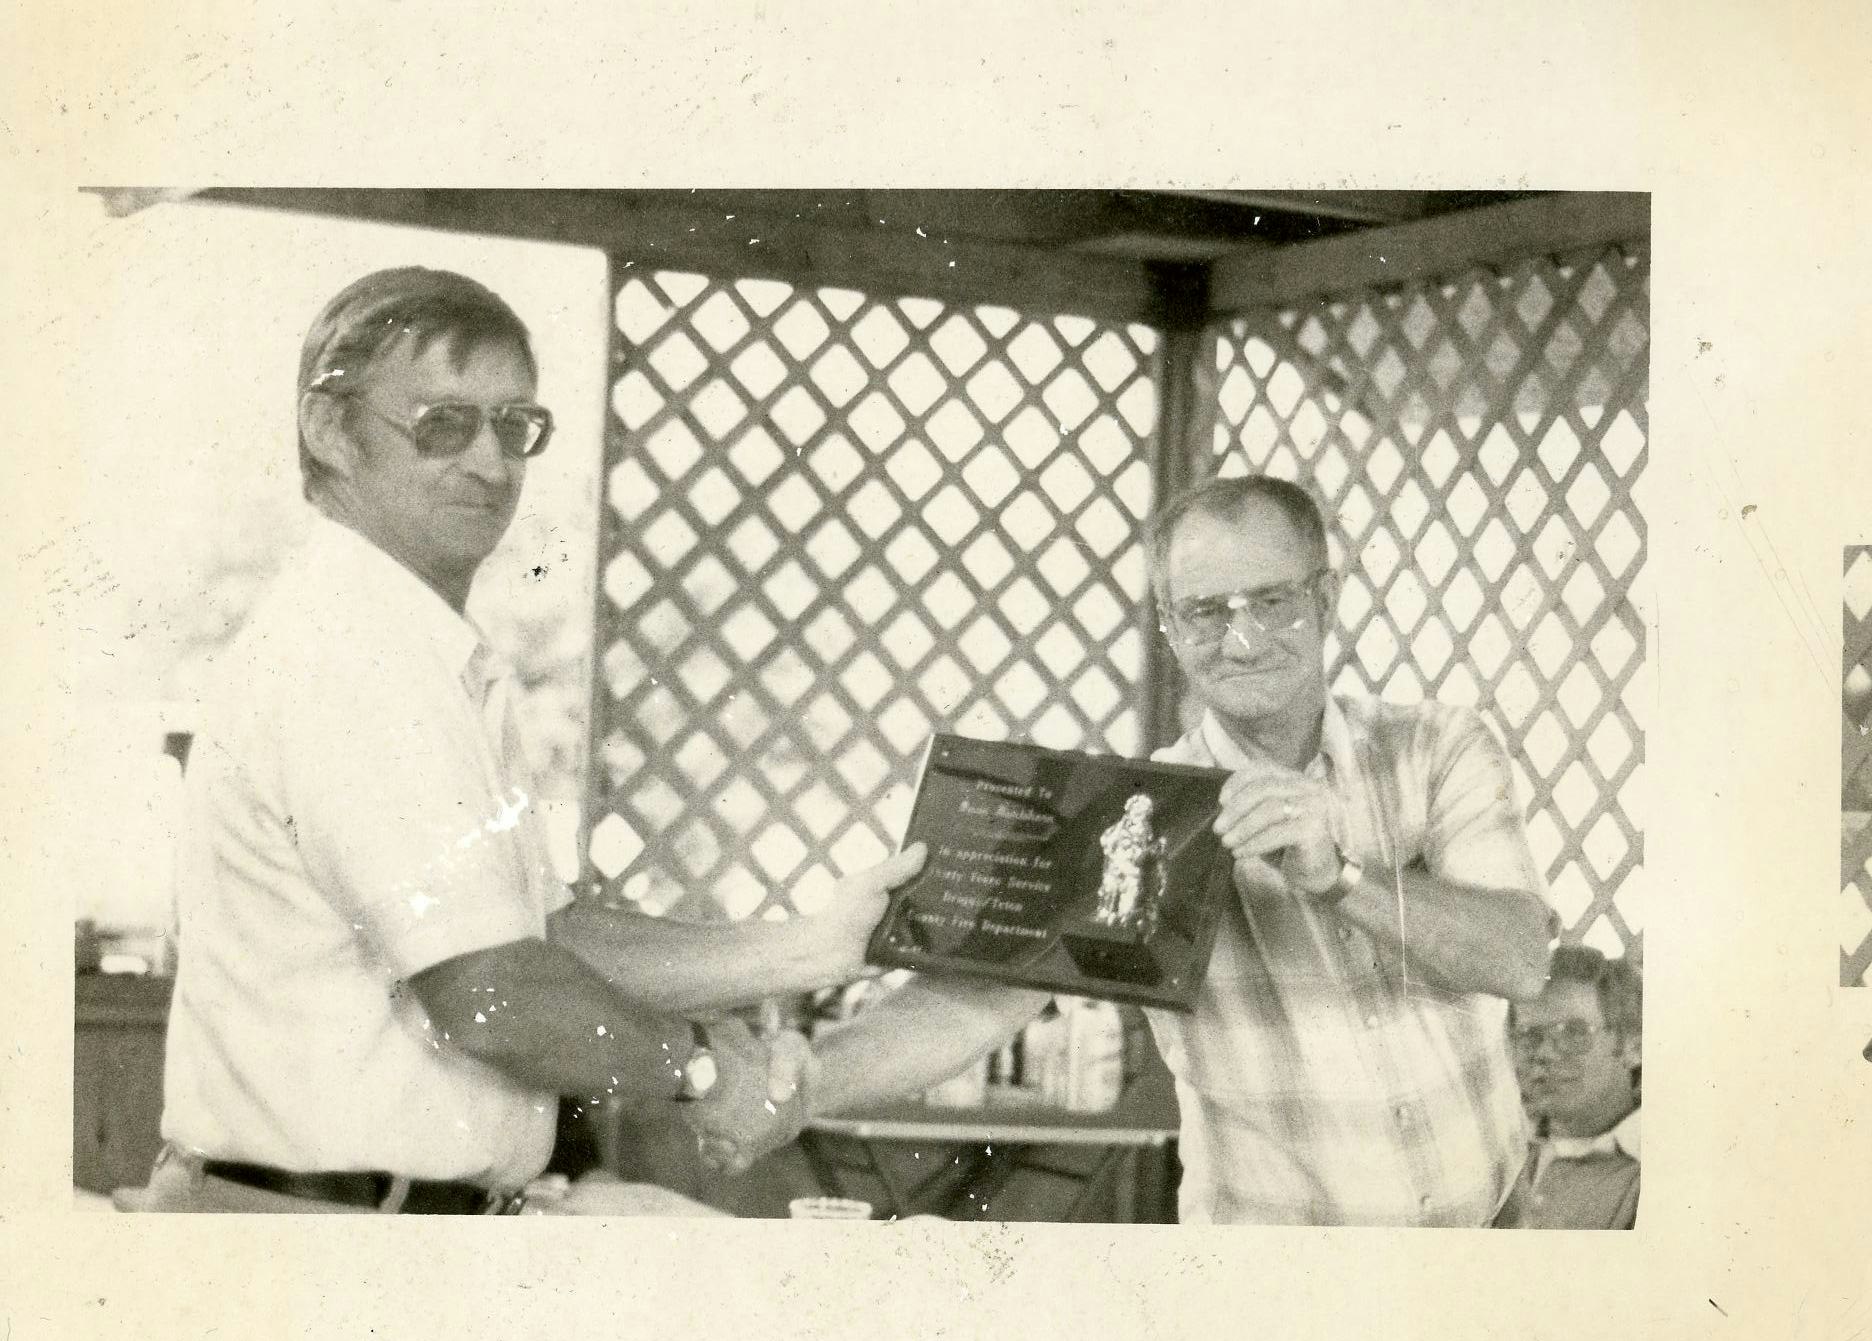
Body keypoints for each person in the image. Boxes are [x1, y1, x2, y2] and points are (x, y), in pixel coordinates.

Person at [128, 266, 922, 1214]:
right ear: (330, 431)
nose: (490, 464)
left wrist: (809, 949)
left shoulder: (416, 654)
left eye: (515, 427)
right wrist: (713, 1073)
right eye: (442, 425)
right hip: (316, 1228)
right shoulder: (352, 656)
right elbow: (492, 995)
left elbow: (544, 940)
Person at [698, 475, 1556, 1225]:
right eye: (1206, 612)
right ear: (1168, 629)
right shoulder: (1140, 811)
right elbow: (971, 1006)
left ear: (1326, 601)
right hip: (1270, 1285)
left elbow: (1520, 957)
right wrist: (797, 1084)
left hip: (1486, 1249)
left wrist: (1343, 878)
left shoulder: (1437, 747)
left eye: (1272, 601)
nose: (1244, 638)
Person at [1493, 944, 1641, 1229]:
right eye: (1528, 1035)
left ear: (1633, 1046)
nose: (1544, 1053)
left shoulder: (1661, 1172)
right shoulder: (1503, 1152)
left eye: (1574, 1033)